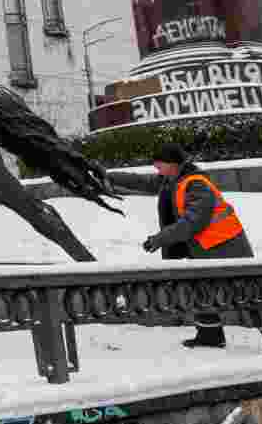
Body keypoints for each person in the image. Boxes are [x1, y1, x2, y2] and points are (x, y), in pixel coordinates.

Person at [107, 142, 253, 349]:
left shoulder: (196, 183)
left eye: (159, 166)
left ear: (172, 164)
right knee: (200, 290)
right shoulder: (172, 180)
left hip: (223, 246)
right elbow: (143, 181)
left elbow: (193, 221)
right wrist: (106, 175)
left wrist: (160, 238)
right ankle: (210, 336)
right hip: (199, 248)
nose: (156, 170)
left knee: (245, 295)